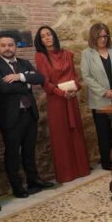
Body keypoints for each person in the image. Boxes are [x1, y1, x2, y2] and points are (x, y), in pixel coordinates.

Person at [0, 33, 54, 198]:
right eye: (4, 45)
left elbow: (39, 78)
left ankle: (33, 181)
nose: (7, 48)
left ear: (15, 46)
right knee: (12, 154)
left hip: (29, 113)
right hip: (11, 118)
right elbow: (4, 88)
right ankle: (17, 187)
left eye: (10, 45)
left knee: (29, 151)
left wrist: (20, 77)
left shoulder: (24, 63)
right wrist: (27, 85)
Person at [34, 25, 90, 182]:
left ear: (54, 36)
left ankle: (82, 168)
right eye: (43, 36)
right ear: (40, 41)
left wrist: (75, 89)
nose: (47, 37)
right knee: (61, 136)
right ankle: (67, 173)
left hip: (71, 98)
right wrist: (61, 93)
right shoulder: (41, 56)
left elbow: (74, 76)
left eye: (49, 34)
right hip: (56, 100)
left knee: (76, 131)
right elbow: (45, 82)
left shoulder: (66, 53)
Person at [81, 22, 112, 171]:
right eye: (100, 36)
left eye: (105, 36)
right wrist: (104, 92)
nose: (103, 39)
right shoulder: (87, 54)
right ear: (93, 37)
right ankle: (107, 160)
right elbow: (87, 76)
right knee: (104, 132)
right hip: (100, 99)